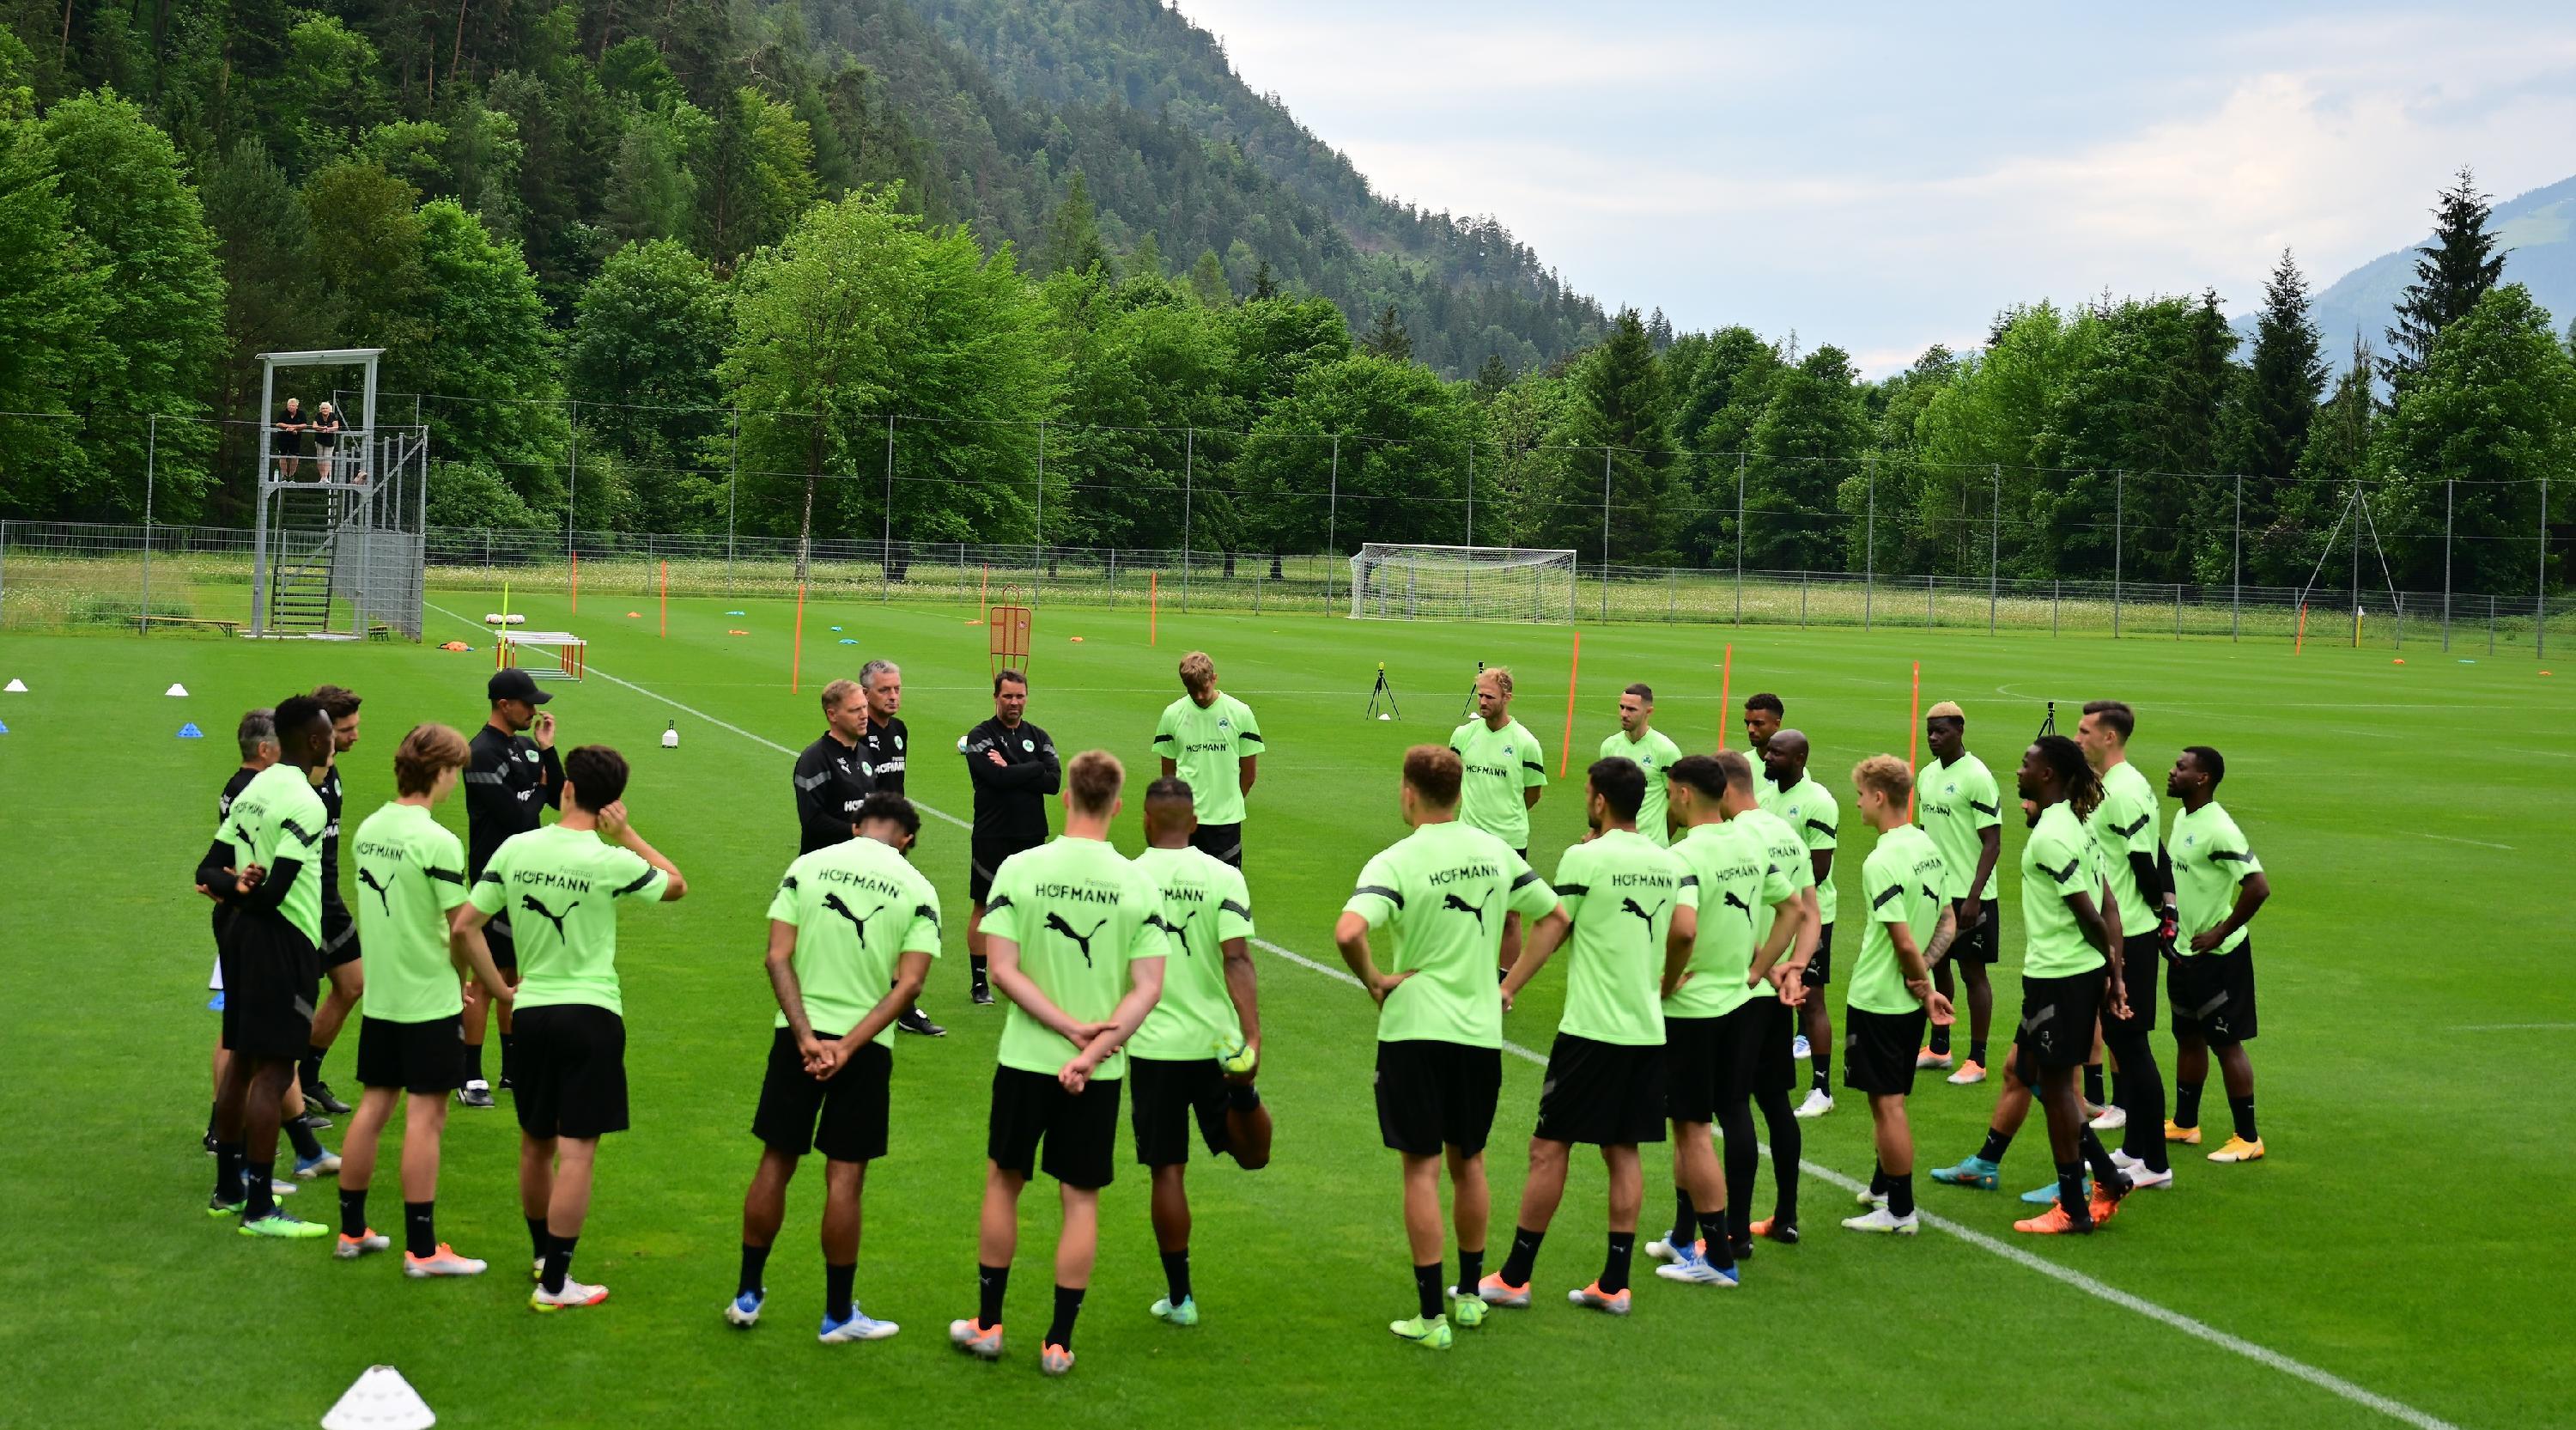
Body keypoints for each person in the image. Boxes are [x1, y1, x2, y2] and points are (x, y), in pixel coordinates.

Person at [1334, 745, 1566, 1352]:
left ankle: (1430, 1314)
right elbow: (1555, 917)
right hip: (1477, 1033)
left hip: (1414, 1031)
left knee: (1421, 1167)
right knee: (1471, 1161)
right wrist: (1509, 984)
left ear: (1408, 792)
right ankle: (1468, 1297)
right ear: (1461, 794)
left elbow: (1349, 930)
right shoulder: (1494, 851)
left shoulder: (1396, 859)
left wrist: (1376, 981)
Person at [951, 752, 1168, 1377]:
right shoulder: (1137, 882)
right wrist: (1091, 1048)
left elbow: (1004, 969)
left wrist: (1063, 1029)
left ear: (1066, 796)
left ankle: (988, 1325)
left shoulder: (1020, 869)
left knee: (1004, 1180)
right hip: (1096, 1071)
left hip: (1025, 1057)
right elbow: (1147, 987)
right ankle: (1058, 1342)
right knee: (1080, 1199)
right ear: (1119, 805)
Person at [460, 744, 687, 1310]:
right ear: (611, 802)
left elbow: (467, 925)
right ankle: (556, 1281)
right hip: (591, 1014)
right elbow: (676, 883)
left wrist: (498, 988)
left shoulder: (517, 848)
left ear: (562, 788)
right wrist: (628, 835)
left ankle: (542, 1256)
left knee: (535, 1144)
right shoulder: (609, 859)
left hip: (531, 1011)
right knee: (577, 1151)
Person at [1480, 758, 1689, 1316]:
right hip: (1646, 1029)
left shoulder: (1583, 857)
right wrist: (1666, 984)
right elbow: (1685, 930)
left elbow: (1553, 924)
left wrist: (1508, 987)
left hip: (1591, 1031)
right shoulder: (1668, 862)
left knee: (1548, 1148)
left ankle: (1516, 1276)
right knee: (1622, 1150)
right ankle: (1615, 1283)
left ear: (1598, 800)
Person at [729, 791, 939, 1342]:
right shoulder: (918, 889)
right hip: (865, 1049)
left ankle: (748, 1294)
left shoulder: (808, 866)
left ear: (855, 825)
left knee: (776, 1161)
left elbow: (776, 956)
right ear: (908, 838)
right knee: (845, 1177)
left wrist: (805, 1035)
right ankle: (838, 1315)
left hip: (796, 1041)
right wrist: (847, 1046)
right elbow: (911, 983)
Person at [1928, 737, 2137, 1235]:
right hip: (2068, 973)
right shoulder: (2076, 825)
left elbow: (2091, 913)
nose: (2018, 770)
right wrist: (2113, 972)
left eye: (2026, 763)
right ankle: (2101, 1175)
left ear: (2048, 775)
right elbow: (2109, 904)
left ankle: (2075, 1204)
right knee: (2022, 1069)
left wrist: (2114, 975)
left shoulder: (2050, 837)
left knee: (2060, 1089)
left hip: (2061, 977)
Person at [337, 723, 511, 1275]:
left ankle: (352, 1230)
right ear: (441, 772)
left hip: (384, 994)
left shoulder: (369, 829)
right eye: (455, 771)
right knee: (426, 1117)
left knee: (373, 1106)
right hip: (427, 998)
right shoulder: (437, 840)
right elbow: (461, 928)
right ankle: (422, 1249)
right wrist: (495, 987)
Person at [1645, 752, 1806, 1283]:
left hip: (1693, 1011)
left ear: (1686, 794)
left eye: (1671, 791)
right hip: (1739, 1004)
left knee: (1691, 1129)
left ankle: (1716, 1256)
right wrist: (1758, 969)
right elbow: (1794, 910)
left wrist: (1665, 983)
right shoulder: (1751, 844)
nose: (1669, 799)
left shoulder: (1683, 854)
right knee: (1716, 1115)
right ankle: (1681, 1235)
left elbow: (1684, 931)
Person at [1127, 777, 1271, 1329]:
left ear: (1145, 820)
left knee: (1168, 1171)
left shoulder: (1128, 877)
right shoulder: (1225, 875)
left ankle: (1181, 1299)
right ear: (1193, 822)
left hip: (1152, 1045)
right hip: (1216, 1040)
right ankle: (1247, 1093)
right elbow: (1236, 958)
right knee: (1253, 1156)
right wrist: (1252, 1037)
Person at [197, 695, 337, 1238]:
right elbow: (276, 892)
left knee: (241, 1064)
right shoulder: (307, 803)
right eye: (326, 734)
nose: (331, 741)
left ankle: (227, 1191)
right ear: (313, 741)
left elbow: (209, 869)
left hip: (237, 935)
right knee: (275, 1071)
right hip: (283, 944)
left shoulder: (256, 787)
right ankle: (260, 1208)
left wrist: (234, 888)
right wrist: (249, 889)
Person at [1839, 757, 1956, 1235]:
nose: (1859, 802)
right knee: (1885, 1097)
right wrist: (1926, 974)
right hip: (1903, 1002)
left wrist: (1922, 984)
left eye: (1862, 794)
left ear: (1880, 797)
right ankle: (1882, 1185)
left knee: (1888, 1105)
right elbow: (1947, 919)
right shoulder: (1927, 845)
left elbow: (1902, 940)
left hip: (1879, 999)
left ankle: (1901, 1211)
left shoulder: (1881, 859)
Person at [1712, 751, 1820, 1250]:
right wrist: (1796, 968)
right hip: (1777, 989)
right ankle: (1787, 1215)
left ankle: (1734, 1233)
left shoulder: (1735, 838)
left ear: (1726, 789)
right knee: (1776, 1102)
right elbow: (1809, 911)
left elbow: (1734, 914)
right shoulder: (1786, 833)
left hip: (1740, 987)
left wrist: (1765, 966)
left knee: (1732, 1106)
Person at [2077, 699, 2171, 1192]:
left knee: (2133, 1046)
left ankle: (2155, 1162)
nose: (2079, 738)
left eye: (2085, 730)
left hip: (2129, 934)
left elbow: (2145, 863)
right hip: (2119, 933)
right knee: (2121, 1041)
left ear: (2109, 737)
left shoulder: (2125, 791)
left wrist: (2161, 915)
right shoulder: (2113, 786)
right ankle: (2136, 1149)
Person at [2162, 746, 2270, 1165]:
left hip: (2219, 956)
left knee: (2226, 1044)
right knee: (2187, 1037)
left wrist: (2221, 931)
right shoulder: (2184, 817)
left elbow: (2258, 886)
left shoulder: (2219, 828)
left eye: (2181, 768)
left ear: (2202, 778)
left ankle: (2248, 1136)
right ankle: (2185, 1124)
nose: (2172, 772)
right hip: (2183, 952)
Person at [459, 667, 562, 1107]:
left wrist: (549, 753)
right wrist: (535, 792)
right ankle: (469, 1077)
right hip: (492, 877)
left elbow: (557, 798)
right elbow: (517, 817)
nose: (535, 711)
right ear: (505, 705)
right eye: (528, 704)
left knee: (514, 976)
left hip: (526, 879)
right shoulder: (480, 752)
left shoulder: (524, 747)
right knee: (486, 980)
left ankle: (511, 1070)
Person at [1914, 701, 2003, 1084]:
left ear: (1960, 731)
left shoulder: (1977, 777)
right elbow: (1925, 834)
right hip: (1936, 893)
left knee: (1973, 972)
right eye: (1930, 731)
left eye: (1941, 731)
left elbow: (1993, 842)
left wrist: (1973, 897)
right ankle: (1939, 1048)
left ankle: (1978, 1061)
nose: (1933, 738)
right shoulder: (1927, 775)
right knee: (1938, 967)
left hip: (1970, 895)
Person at [962, 669, 1059, 1008]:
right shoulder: (980, 735)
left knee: (1030, 906)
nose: (1014, 703)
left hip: (1032, 833)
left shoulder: (1039, 735)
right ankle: (979, 983)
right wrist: (1032, 768)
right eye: (1008, 696)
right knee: (984, 906)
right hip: (993, 834)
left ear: (1026, 697)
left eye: (1020, 696)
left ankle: (1025, 978)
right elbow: (995, 777)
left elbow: (1054, 782)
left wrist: (1015, 767)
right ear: (995, 698)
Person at [855, 660, 941, 1038]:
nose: (893, 696)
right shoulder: (857, 734)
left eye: (897, 689)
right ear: (865, 695)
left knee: (891, 919)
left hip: (896, 841)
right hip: (866, 843)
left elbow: (897, 786)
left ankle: (896, 1001)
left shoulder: (900, 730)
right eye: (884, 690)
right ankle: (889, 1001)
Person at [1760, 730, 1842, 1117]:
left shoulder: (1819, 802)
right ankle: (1770, 1076)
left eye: (1776, 753)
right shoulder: (1767, 793)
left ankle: (1822, 1089)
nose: (1768, 757)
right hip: (1774, 912)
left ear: (1799, 758)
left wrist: (1777, 889)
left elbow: (1820, 869)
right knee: (1770, 993)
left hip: (1811, 915)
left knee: (1810, 1000)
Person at [1447, 667, 1547, 977]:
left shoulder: (1525, 743)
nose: (1483, 701)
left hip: (1509, 841)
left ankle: (1505, 983)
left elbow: (1532, 793)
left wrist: (1506, 815)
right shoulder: (1463, 736)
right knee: (1462, 908)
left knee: (1509, 916)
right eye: (1480, 695)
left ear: (1507, 697)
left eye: (1490, 696)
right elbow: (1451, 781)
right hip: (1468, 839)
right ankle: (1464, 973)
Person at [302, 685, 367, 1117]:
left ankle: (306, 1079)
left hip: (329, 898)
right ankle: (285, 1095)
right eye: (347, 729)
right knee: (296, 1005)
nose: (356, 736)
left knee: (352, 984)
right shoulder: (299, 775)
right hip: (302, 902)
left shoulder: (332, 769)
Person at [1152, 651, 1262, 868]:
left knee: (1226, 893)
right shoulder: (1172, 715)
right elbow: (1169, 775)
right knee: (1186, 891)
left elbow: (1249, 774)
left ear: (1214, 679)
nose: (1200, 696)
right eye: (1193, 691)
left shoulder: (1240, 713)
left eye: (1204, 689)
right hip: (1186, 820)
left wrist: (1228, 803)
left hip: (1225, 822)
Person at [793, 678, 877, 857]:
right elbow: (812, 820)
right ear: (832, 715)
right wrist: (855, 831)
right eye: (855, 710)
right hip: (824, 866)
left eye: (864, 707)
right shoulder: (814, 760)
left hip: (860, 863)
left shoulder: (865, 754)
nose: (864, 715)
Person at [1600, 684, 1684, 849]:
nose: (1624, 714)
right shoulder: (1609, 746)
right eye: (1622, 707)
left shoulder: (1666, 751)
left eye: (1631, 709)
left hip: (1651, 847)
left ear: (1648, 712)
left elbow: (1677, 804)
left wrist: (1660, 838)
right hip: (1615, 846)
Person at [273, 397, 307, 479]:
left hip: (295, 438)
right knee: (283, 456)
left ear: (296, 407)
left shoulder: (301, 414)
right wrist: (288, 428)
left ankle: (292, 475)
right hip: (283, 438)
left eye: (293, 406)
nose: (291, 407)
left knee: (295, 457)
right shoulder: (283, 413)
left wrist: (294, 428)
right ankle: (284, 475)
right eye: (289, 406)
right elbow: (278, 424)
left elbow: (304, 425)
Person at [311, 402, 346, 482]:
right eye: (323, 408)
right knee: (320, 458)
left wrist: (328, 429)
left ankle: (325, 477)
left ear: (329, 409)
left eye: (326, 408)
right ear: (321, 410)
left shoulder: (332, 416)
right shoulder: (318, 416)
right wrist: (323, 428)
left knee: (327, 458)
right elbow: (314, 426)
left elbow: (336, 427)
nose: (325, 410)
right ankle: (321, 477)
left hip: (329, 440)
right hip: (319, 439)